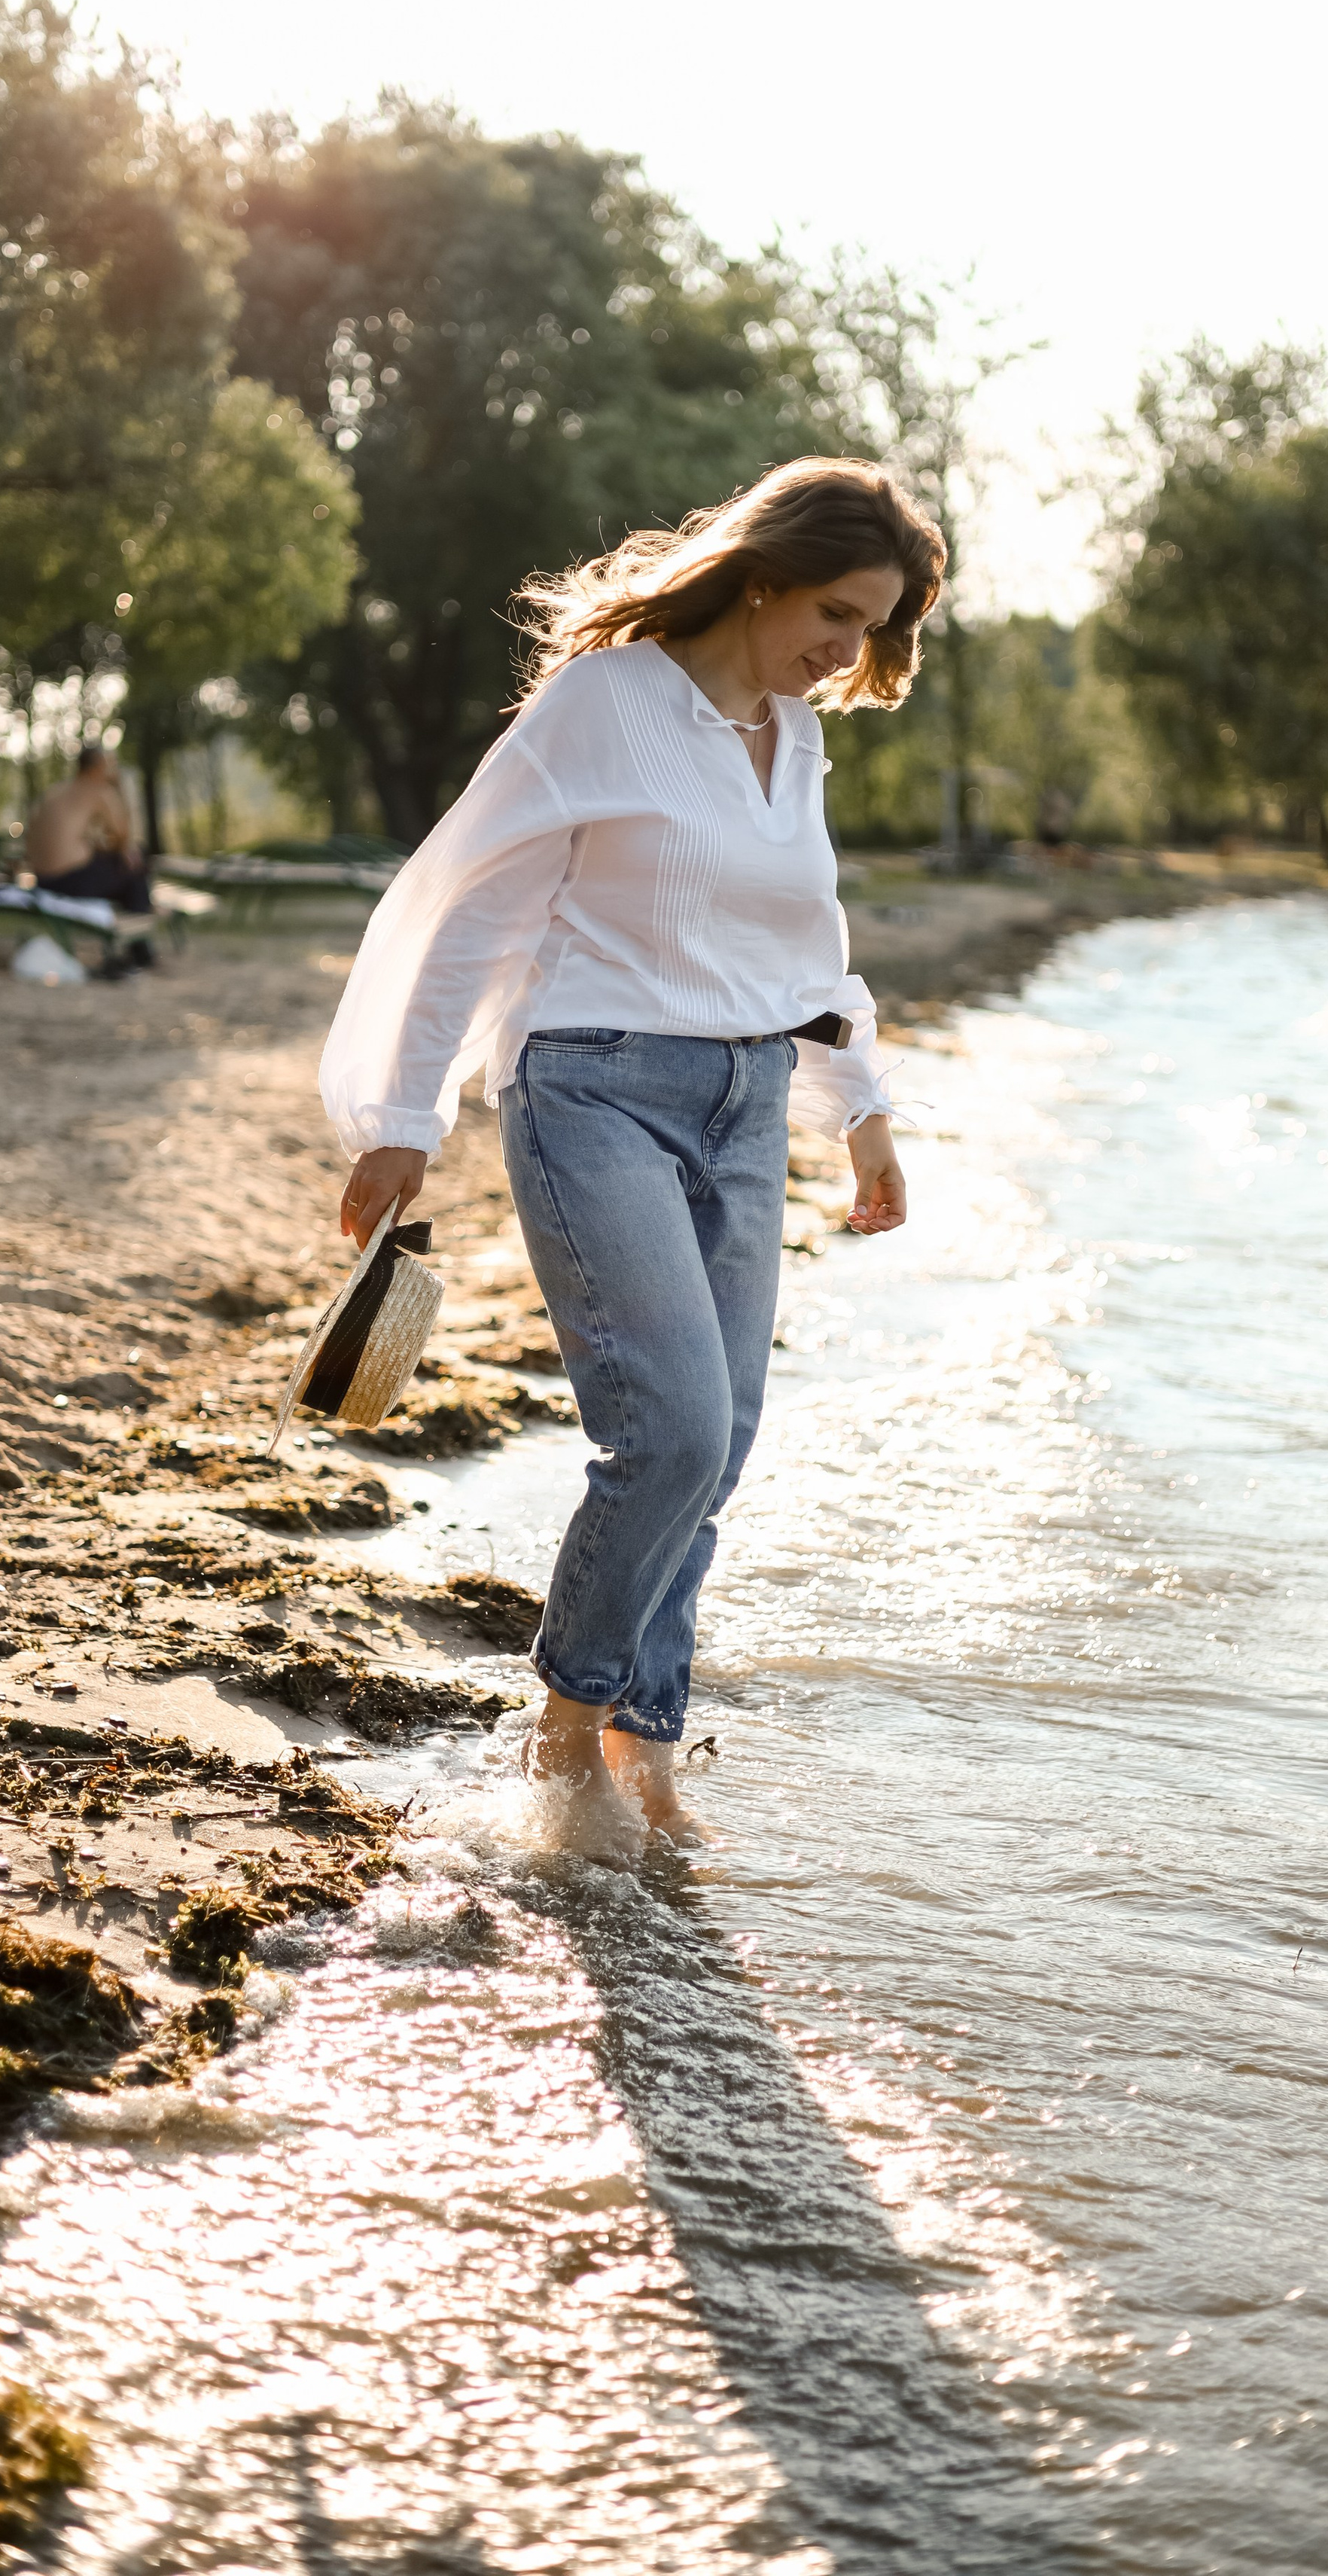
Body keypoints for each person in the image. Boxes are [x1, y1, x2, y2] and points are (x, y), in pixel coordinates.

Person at [319, 458, 945, 1844]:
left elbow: (807, 941)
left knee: (716, 1450)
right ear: (767, 572)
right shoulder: (606, 703)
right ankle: (563, 1735)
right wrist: (404, 1122)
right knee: (666, 1428)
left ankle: (643, 1739)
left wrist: (864, 1106)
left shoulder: (796, 730)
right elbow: (474, 909)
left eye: (873, 628)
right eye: (836, 613)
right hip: (594, 1087)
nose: (847, 651)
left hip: (745, 1098)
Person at [23, 745, 154, 919]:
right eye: (110, 765)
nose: (113, 770)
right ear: (98, 766)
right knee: (136, 866)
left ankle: (133, 934)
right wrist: (119, 787)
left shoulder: (55, 791)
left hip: (43, 882)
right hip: (71, 882)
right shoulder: (97, 789)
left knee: (119, 866)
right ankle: (138, 935)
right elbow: (124, 837)